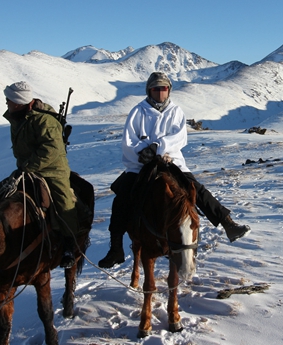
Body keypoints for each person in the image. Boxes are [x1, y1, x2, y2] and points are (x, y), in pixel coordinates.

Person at [98, 72, 251, 268]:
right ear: (149, 90)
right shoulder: (138, 112)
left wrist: (158, 146)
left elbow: (179, 138)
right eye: (156, 88)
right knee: (122, 197)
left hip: (171, 161)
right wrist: (142, 152)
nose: (160, 92)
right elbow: (129, 140)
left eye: (164, 88)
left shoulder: (176, 111)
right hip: (141, 164)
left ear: (169, 90)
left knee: (196, 188)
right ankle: (116, 248)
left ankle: (228, 223)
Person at [1, 81, 79, 269]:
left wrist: (28, 167)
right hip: (26, 168)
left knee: (64, 203)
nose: (6, 103)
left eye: (9, 100)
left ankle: (70, 244)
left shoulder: (45, 122)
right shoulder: (17, 117)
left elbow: (51, 150)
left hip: (52, 169)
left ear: (19, 102)